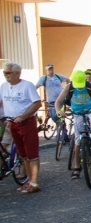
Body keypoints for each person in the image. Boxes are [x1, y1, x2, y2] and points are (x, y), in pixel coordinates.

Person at [56, 70, 91, 179]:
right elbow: (58, 101)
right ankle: (77, 166)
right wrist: (58, 110)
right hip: (77, 113)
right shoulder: (69, 87)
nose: (80, 87)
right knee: (77, 140)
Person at [1, 62, 42, 193]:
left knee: (32, 154)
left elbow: (37, 104)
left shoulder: (27, 86)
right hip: (11, 123)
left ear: (17, 73)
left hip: (26, 123)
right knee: (23, 155)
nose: (5, 75)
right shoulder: (3, 86)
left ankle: (34, 183)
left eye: (8, 72)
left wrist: (23, 116)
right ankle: (29, 181)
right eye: (4, 73)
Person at [35, 64, 68, 142]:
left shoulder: (58, 76)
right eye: (49, 69)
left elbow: (68, 80)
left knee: (61, 116)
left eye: (52, 69)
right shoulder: (44, 78)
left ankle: (63, 135)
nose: (51, 71)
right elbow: (36, 86)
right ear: (46, 71)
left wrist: (67, 89)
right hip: (52, 101)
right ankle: (62, 129)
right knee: (54, 117)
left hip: (61, 100)